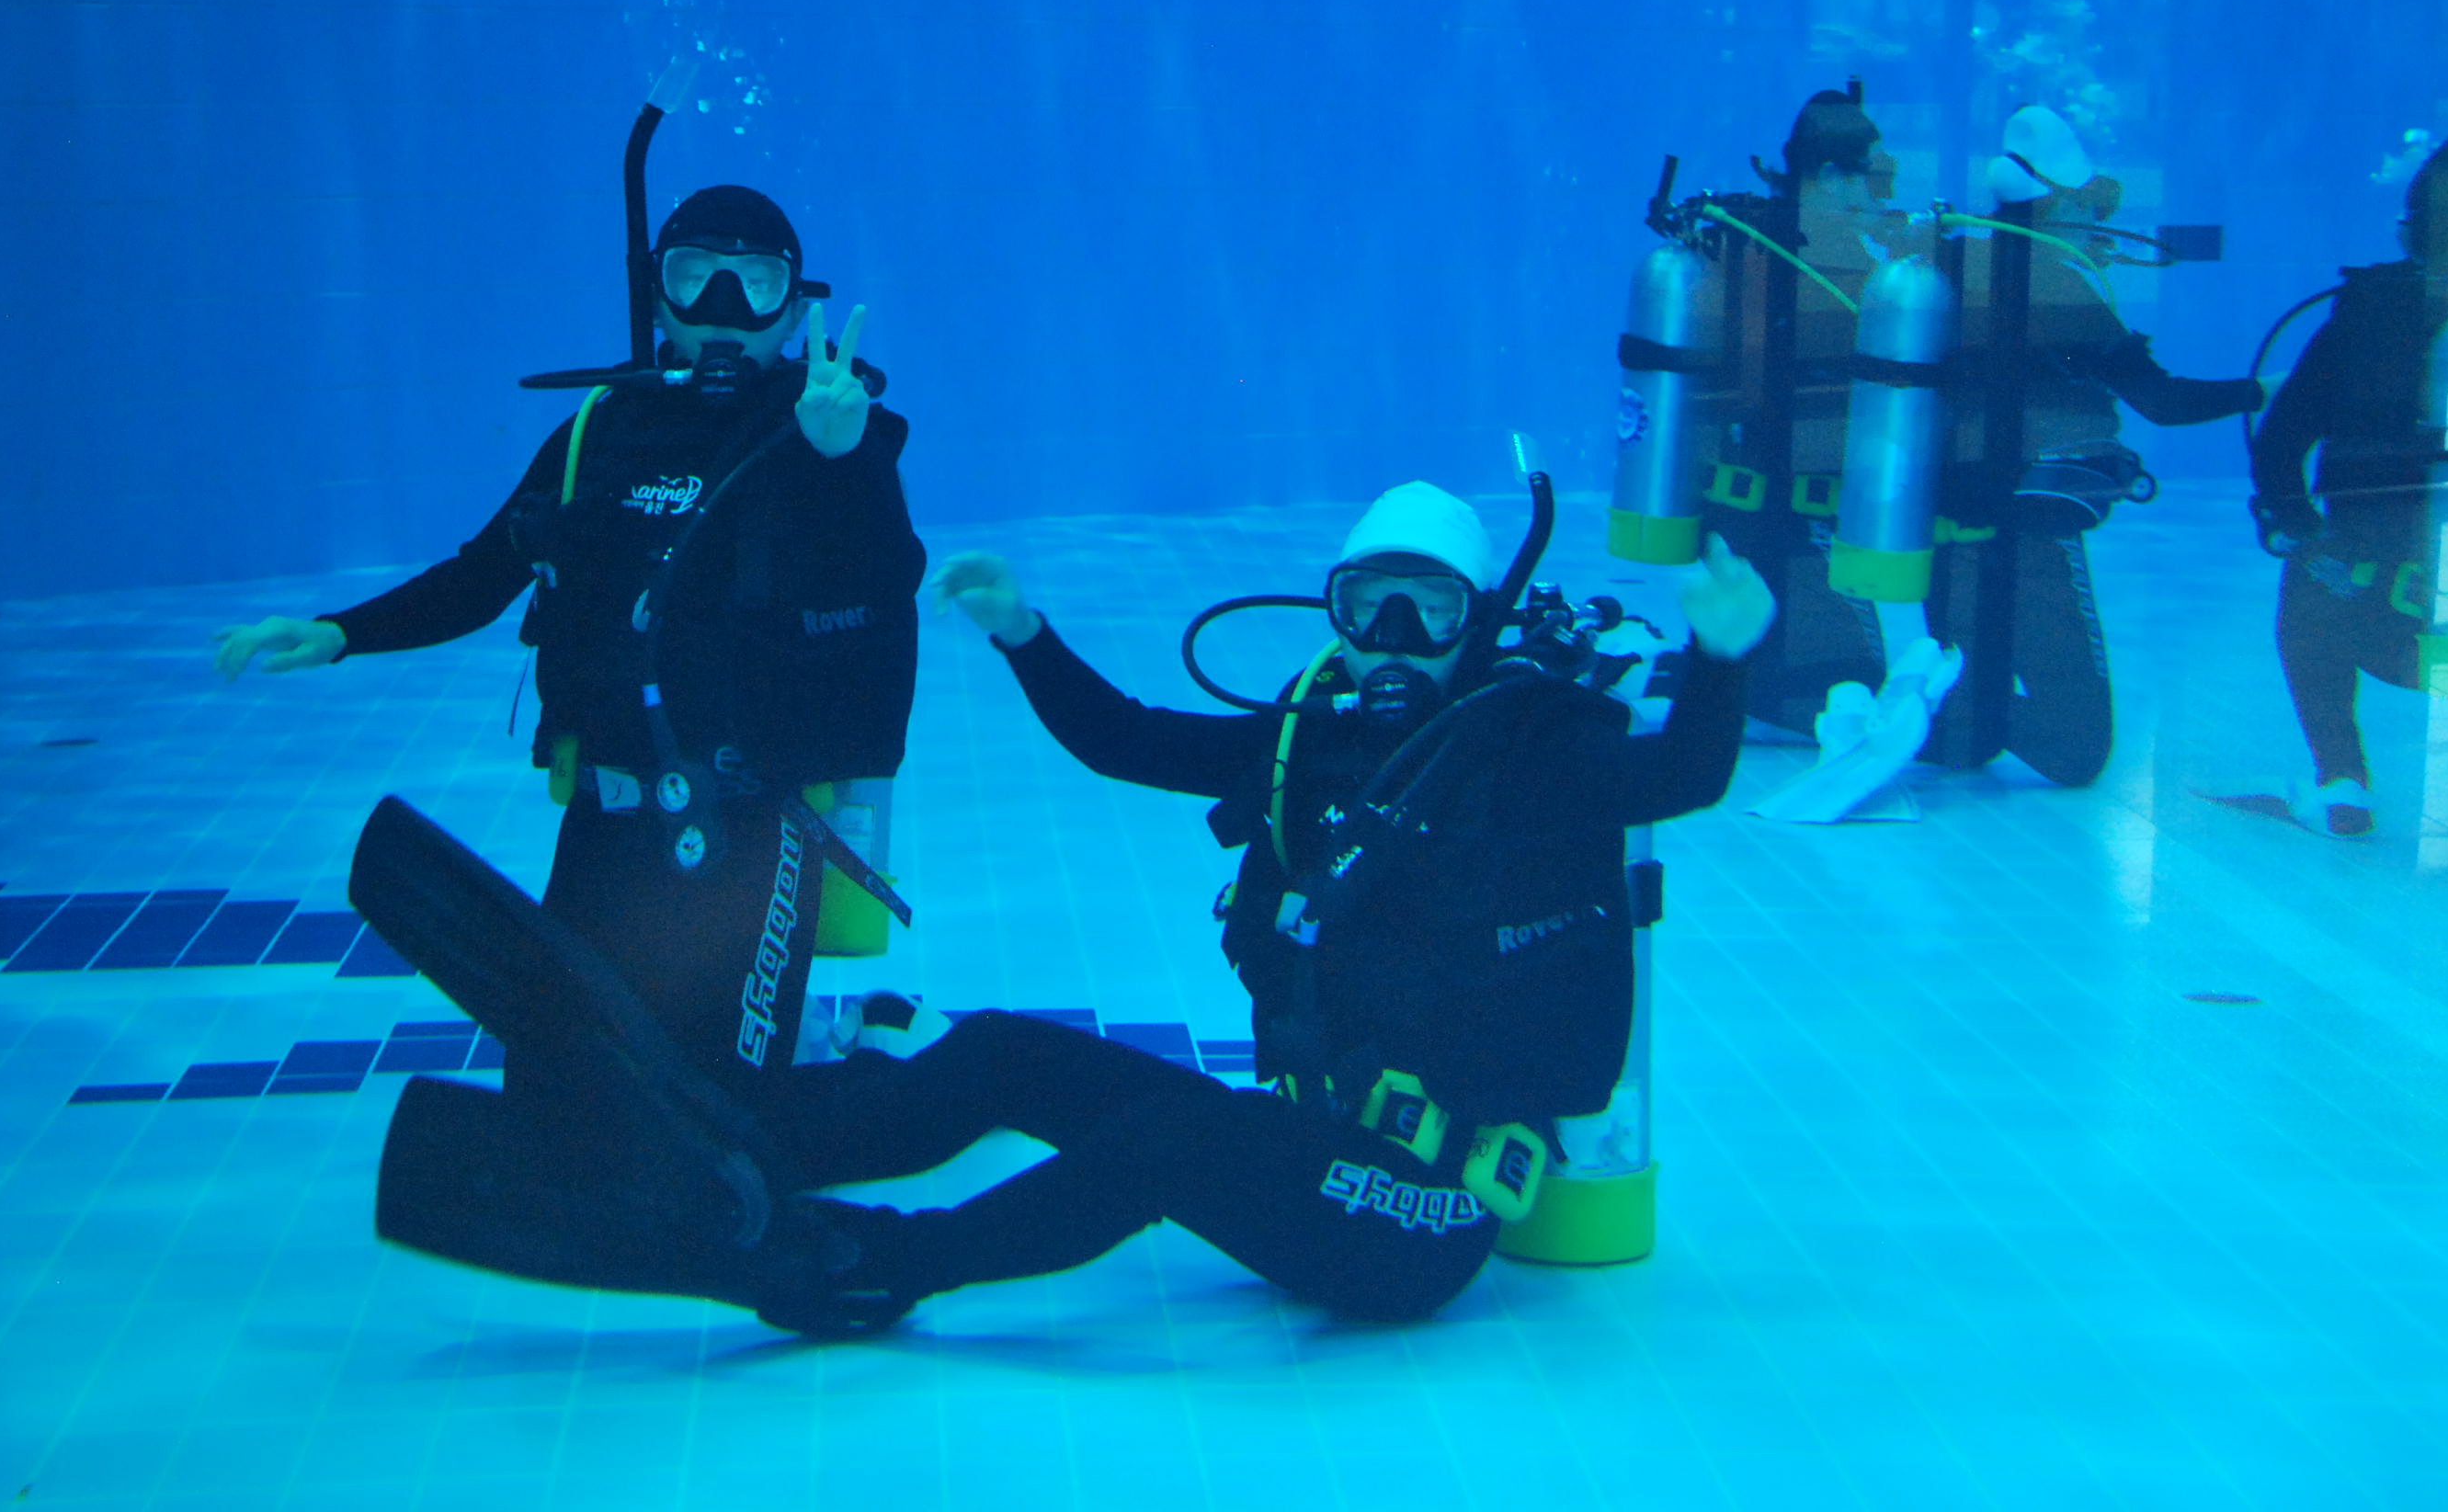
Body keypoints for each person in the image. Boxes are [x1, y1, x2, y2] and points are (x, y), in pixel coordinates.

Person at [358, 480, 1775, 1334]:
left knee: (1165, 1140)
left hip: (1419, 1216)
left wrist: (1720, 661)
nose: (1391, 642)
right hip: (1309, 1147)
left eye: (1429, 612)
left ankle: (873, 1265)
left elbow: (1682, 775)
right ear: (1334, 612)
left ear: (1481, 622)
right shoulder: (1311, 742)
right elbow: (1129, 740)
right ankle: (740, 1143)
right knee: (998, 1055)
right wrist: (1023, 635)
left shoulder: (1533, 756)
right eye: (1366, 607)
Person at [215, 183, 927, 1089]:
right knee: (557, 1080)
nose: (722, 306)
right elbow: (483, 575)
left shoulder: (823, 434)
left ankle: (855, 1044)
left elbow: (885, 580)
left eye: (755, 283)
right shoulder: (597, 435)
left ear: (793, 310)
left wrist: (843, 459)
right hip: (605, 816)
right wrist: (339, 631)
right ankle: (835, 1038)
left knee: (731, 1105)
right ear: (655, 295)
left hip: (752, 819)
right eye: (694, 275)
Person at [1722, 94, 2258, 789]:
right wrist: (2263, 390)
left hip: (1950, 531)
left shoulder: (1948, 262)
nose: (2099, 225)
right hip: (2032, 530)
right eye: (2090, 206)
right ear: (2055, 202)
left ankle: (1863, 706)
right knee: (2077, 749)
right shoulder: (2061, 286)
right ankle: (1875, 707)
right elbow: (2164, 402)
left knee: (1966, 738)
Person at [2249, 137, 2448, 841]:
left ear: (2410, 230)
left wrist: (2298, 526)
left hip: (2365, 595)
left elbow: (2281, 439)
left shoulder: (2365, 310)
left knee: (2308, 590)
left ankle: (2342, 778)